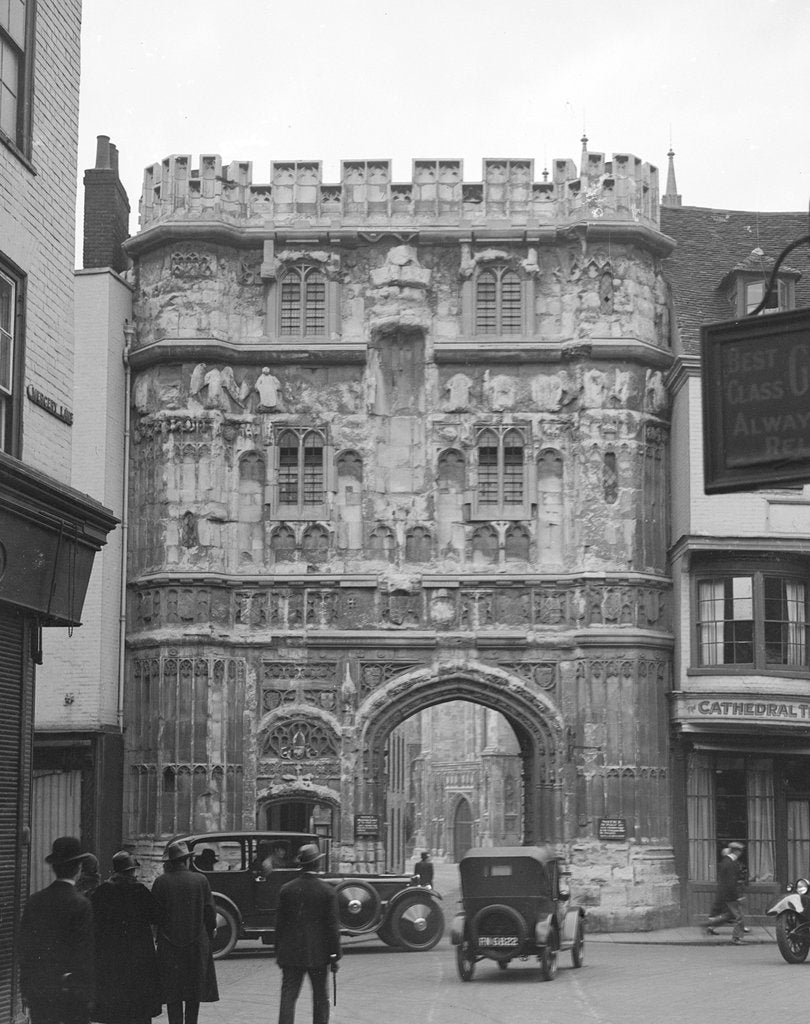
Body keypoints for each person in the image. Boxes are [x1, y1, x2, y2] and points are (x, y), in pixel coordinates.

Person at [19, 835, 95, 1024]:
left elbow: (25, 950)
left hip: (40, 992)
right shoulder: (81, 905)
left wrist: (26, 990)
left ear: (54, 867)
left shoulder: (34, 901)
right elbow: (84, 954)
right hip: (70, 993)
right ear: (78, 868)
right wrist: (87, 994)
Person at [91, 851, 162, 1024]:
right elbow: (157, 916)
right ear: (131, 871)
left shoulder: (101, 891)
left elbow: (93, 922)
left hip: (112, 956)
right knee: (139, 1006)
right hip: (139, 956)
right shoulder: (140, 890)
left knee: (114, 1005)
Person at [152, 840, 219, 1024]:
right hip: (196, 944)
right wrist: (211, 930)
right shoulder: (200, 880)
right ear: (187, 861)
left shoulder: (161, 882)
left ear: (170, 863)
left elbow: (155, 915)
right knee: (193, 994)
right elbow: (210, 912)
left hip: (170, 945)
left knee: (173, 995)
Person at [274, 843, 341, 1024]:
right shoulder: (327, 891)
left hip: (291, 952)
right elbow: (332, 927)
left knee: (288, 996)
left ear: (301, 865)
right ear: (317, 865)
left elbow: (279, 925)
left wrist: (278, 950)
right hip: (319, 953)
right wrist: (335, 955)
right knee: (320, 996)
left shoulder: (287, 889)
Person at [706, 841, 749, 943]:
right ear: (736, 851)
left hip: (725, 894)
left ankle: (710, 925)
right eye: (740, 851)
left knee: (728, 915)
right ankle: (736, 938)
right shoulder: (730, 863)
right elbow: (731, 882)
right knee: (739, 918)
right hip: (730, 895)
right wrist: (736, 896)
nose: (741, 853)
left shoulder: (726, 861)